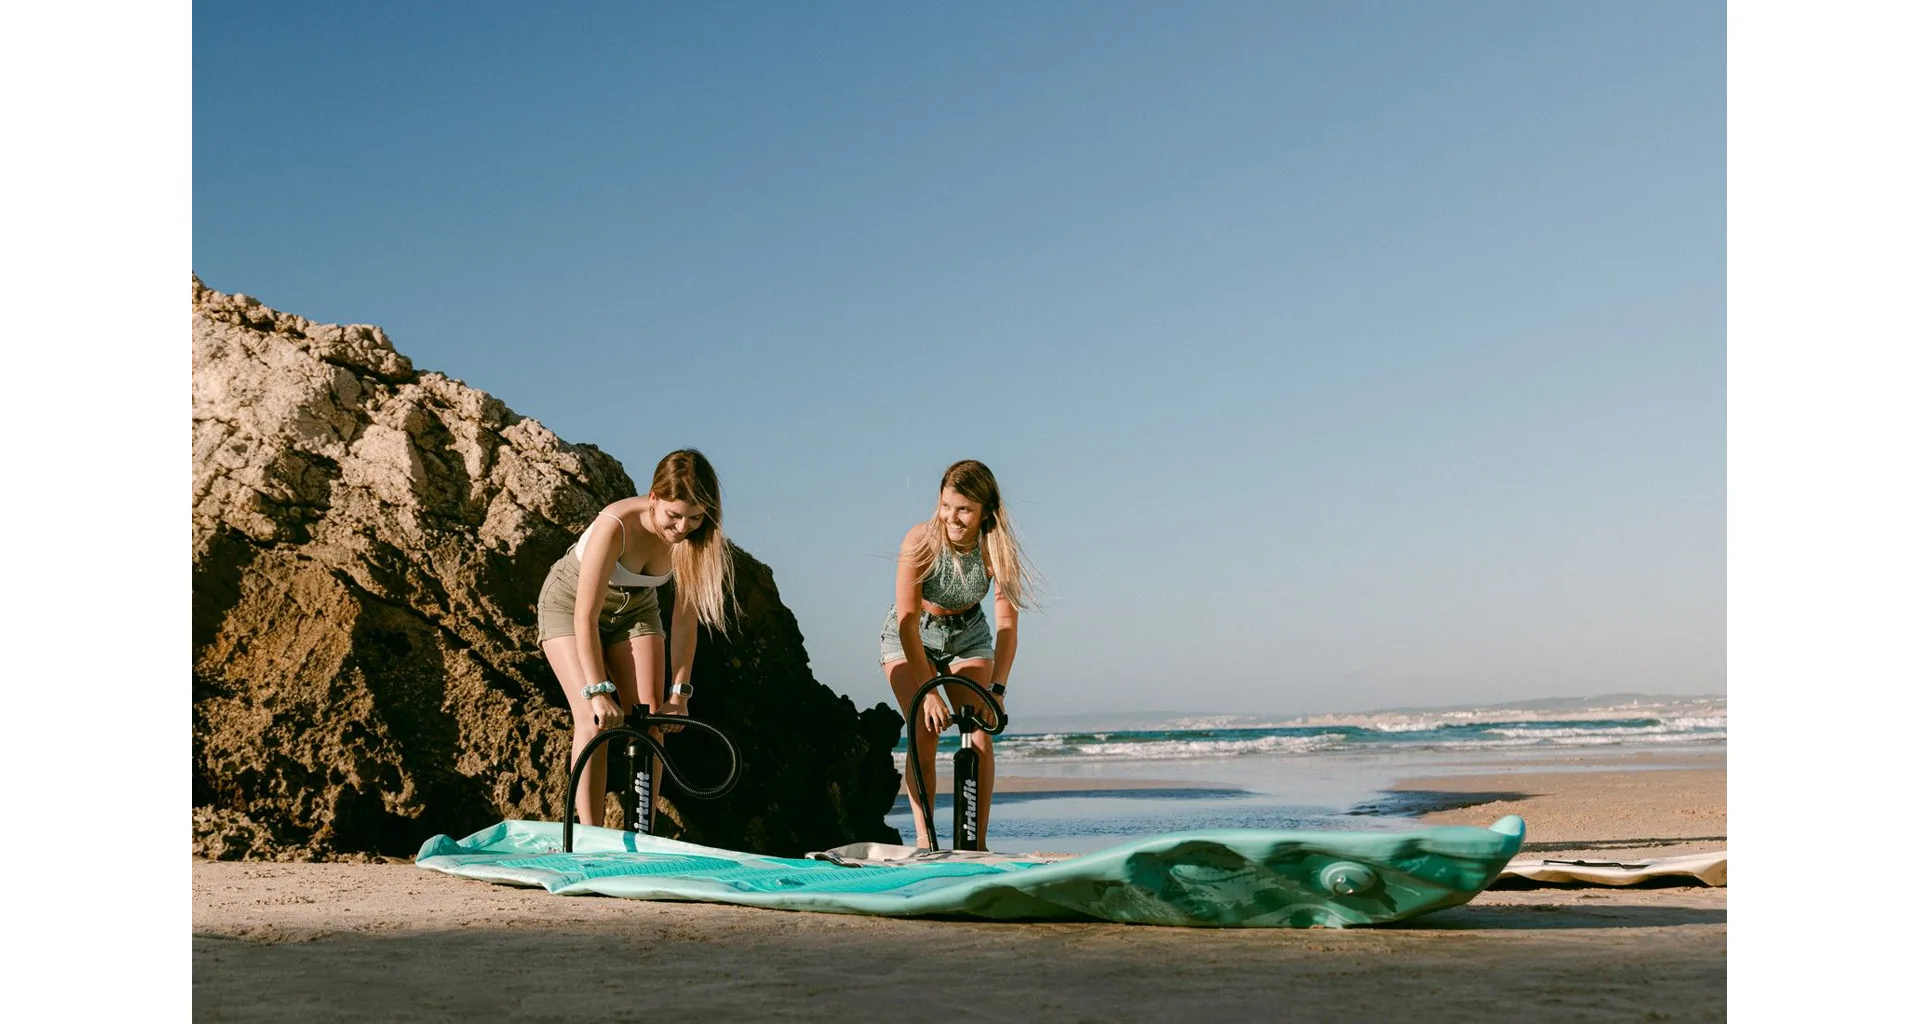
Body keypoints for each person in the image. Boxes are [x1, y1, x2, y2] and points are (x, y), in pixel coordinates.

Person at [538, 448, 735, 826]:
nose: (682, 528)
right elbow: (585, 616)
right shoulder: (616, 524)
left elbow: (684, 622)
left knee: (651, 721)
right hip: (569, 605)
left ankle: (641, 830)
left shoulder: (698, 539)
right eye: (673, 516)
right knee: (593, 719)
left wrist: (679, 695)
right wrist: (598, 690)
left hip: (637, 610)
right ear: (654, 498)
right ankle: (590, 835)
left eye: (695, 517)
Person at [881, 459, 1036, 848]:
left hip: (968, 636)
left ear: (985, 510)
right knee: (924, 727)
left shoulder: (996, 550)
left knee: (979, 732)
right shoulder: (920, 541)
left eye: (964, 509)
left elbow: (1007, 626)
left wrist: (997, 691)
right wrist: (929, 692)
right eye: (946, 506)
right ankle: (925, 841)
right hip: (912, 634)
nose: (951, 517)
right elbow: (907, 623)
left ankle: (975, 845)